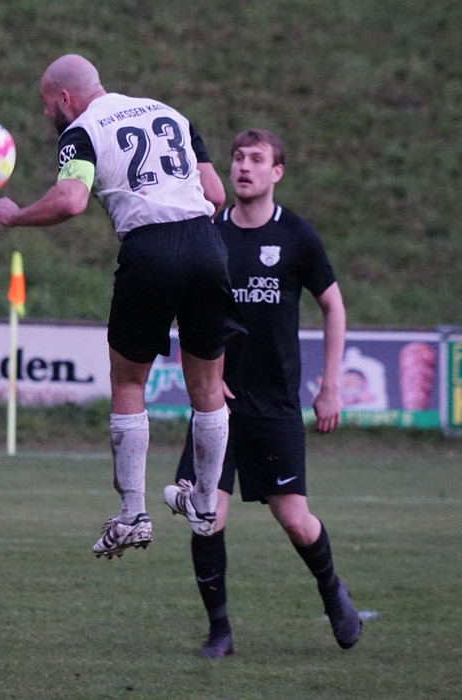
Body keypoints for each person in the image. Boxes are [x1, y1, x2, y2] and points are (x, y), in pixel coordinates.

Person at [0, 54, 245, 558]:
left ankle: (132, 516)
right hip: (207, 244)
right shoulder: (170, 113)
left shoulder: (81, 131)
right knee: (208, 386)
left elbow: (70, 200)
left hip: (151, 250)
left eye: (46, 103)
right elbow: (215, 194)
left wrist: (16, 215)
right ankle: (204, 505)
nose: (46, 113)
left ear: (65, 97)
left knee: (129, 383)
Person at [164, 129, 361, 658]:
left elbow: (333, 306)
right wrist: (202, 372)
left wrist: (331, 385)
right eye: (237, 158)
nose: (244, 167)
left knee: (295, 519)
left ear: (277, 172)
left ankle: (332, 591)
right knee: (207, 515)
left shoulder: (296, 235)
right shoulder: (210, 233)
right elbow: (185, 309)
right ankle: (220, 632)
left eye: (257, 159)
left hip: (275, 405)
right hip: (218, 403)